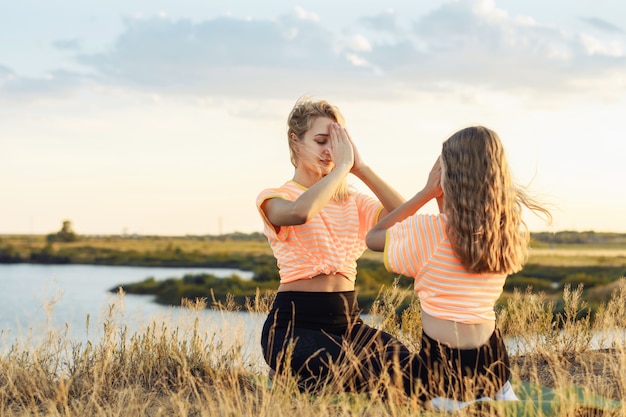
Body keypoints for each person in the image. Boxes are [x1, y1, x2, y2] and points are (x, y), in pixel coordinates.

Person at [366, 126, 551, 411]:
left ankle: (450, 404)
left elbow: (374, 237)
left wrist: (426, 193)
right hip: (494, 365)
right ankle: (497, 393)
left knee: (381, 367)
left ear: (447, 176)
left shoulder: (429, 232)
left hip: (443, 370)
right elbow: (458, 232)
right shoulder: (503, 233)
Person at [256, 97, 417, 396]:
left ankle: (298, 381)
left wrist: (362, 168)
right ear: (295, 140)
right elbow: (301, 213)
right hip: (293, 325)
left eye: (336, 142)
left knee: (408, 368)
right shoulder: (276, 196)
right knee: (354, 373)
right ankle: (293, 376)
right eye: (320, 141)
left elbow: (405, 219)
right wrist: (342, 166)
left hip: (348, 325)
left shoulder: (353, 201)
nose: (329, 151)